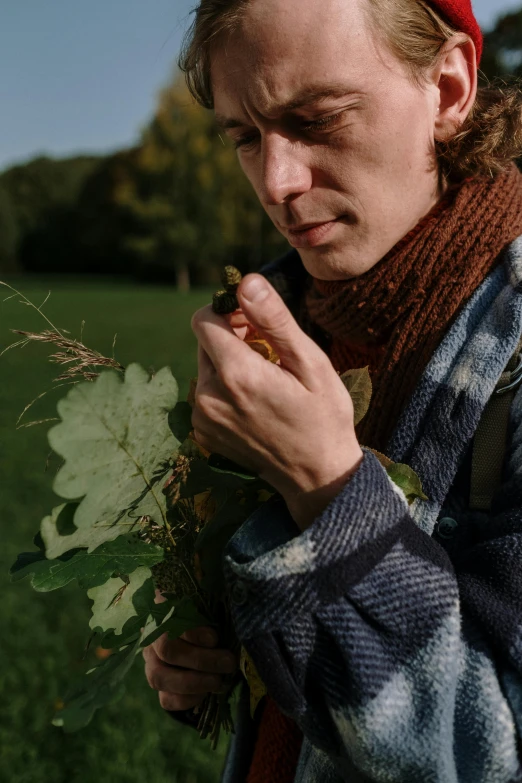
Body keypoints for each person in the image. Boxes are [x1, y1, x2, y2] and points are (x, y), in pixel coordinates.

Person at [142, 0, 522, 780]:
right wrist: (201, 637)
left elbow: (493, 753)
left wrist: (328, 491)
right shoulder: (282, 323)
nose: (277, 184)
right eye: (245, 137)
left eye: (316, 119)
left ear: (449, 90)